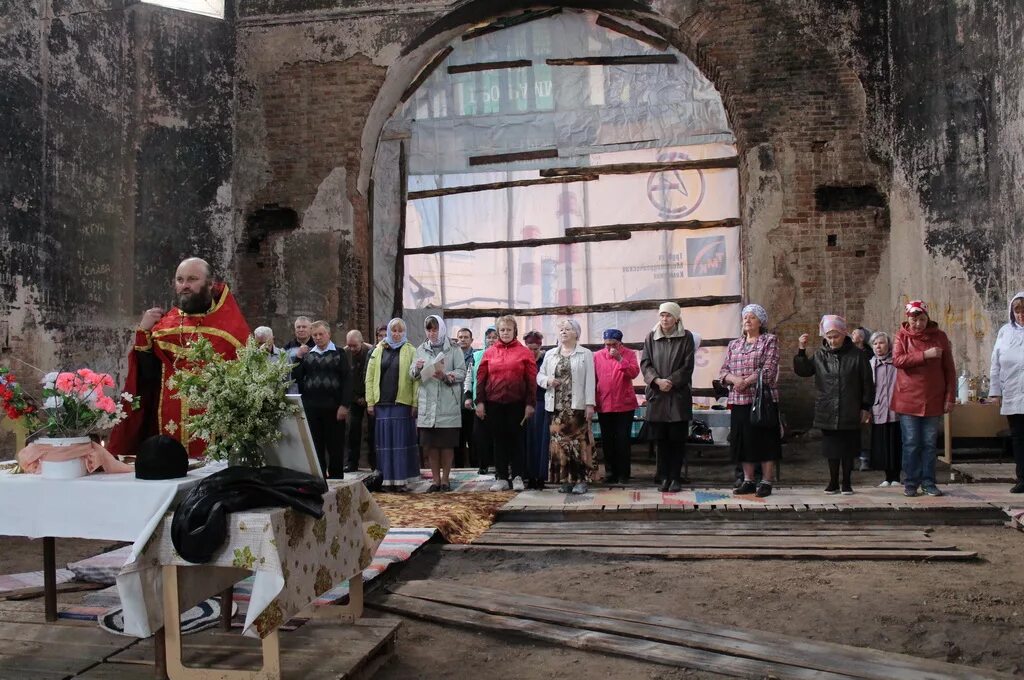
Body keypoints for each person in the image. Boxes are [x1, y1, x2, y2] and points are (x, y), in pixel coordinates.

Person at [109, 257, 250, 458]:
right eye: (180, 280)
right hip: (168, 425)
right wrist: (144, 332)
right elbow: (148, 378)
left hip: (216, 432)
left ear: (210, 284)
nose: (185, 285)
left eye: (192, 279)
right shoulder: (164, 325)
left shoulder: (231, 328)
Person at [794, 315, 874, 495]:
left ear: (844, 334)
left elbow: (867, 383)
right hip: (827, 408)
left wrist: (865, 407)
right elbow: (804, 371)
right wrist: (801, 350)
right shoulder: (820, 355)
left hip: (850, 407)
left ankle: (846, 482)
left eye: (835, 336)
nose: (832, 340)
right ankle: (832, 482)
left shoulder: (858, 355)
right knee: (831, 449)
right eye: (829, 337)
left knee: (848, 448)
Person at [892, 300, 956, 497]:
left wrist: (950, 397)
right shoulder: (901, 336)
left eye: (921, 319)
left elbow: (949, 369)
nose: (918, 324)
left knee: (929, 443)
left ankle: (929, 482)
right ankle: (911, 482)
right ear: (907, 319)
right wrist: (924, 355)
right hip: (908, 399)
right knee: (911, 442)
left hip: (933, 399)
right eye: (914, 319)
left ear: (927, 318)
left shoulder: (940, 337)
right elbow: (897, 360)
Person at [719, 303, 781, 498]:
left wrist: (745, 381)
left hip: (762, 400)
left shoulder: (769, 341)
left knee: (765, 440)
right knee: (743, 441)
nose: (747, 320)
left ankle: (766, 481)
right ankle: (748, 480)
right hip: (739, 400)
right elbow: (723, 371)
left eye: (752, 317)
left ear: (760, 322)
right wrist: (734, 379)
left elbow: (768, 369)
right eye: (745, 317)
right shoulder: (734, 344)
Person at [476, 316, 537, 491]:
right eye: (502, 330)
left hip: (517, 403)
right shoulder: (489, 353)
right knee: (499, 440)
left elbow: (531, 380)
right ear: (498, 332)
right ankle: (501, 477)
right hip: (494, 403)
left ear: (515, 331)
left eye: (508, 330)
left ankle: (518, 476)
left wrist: (530, 404)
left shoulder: (524, 352)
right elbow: (481, 379)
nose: (505, 333)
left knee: (517, 440)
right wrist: (479, 402)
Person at [641, 302, 696, 493]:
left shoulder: (686, 337)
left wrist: (671, 381)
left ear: (676, 318)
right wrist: (657, 380)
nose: (665, 319)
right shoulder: (651, 337)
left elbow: (688, 366)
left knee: (677, 440)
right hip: (658, 396)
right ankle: (663, 477)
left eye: (669, 316)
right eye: (662, 315)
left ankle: (675, 477)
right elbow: (645, 364)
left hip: (678, 396)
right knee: (661, 440)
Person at [539, 320, 597, 494]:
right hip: (556, 407)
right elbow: (539, 375)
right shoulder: (550, 354)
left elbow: (590, 380)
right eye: (561, 329)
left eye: (568, 329)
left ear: (576, 334)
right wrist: (548, 381)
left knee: (578, 444)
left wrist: (589, 404)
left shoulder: (585, 354)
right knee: (560, 445)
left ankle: (580, 480)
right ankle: (565, 480)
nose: (563, 332)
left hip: (577, 407)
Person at [411, 315, 466, 492]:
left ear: (441, 329)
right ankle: (435, 481)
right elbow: (411, 375)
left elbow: (461, 372)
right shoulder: (420, 349)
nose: (432, 333)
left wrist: (445, 375)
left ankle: (445, 480)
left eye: (435, 329)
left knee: (446, 444)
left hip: (447, 401)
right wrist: (417, 369)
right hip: (428, 402)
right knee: (431, 445)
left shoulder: (454, 348)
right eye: (429, 330)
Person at [366, 318, 420, 491]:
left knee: (400, 443)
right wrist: (370, 402)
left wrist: (415, 402)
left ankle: (402, 480)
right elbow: (369, 377)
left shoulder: (411, 350)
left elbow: (416, 380)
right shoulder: (378, 350)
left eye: (400, 331)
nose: (396, 334)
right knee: (385, 444)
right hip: (381, 403)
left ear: (404, 333)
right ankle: (386, 480)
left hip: (402, 403)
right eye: (394, 331)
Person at [292, 321, 351, 478]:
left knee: (335, 447)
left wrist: (345, 405)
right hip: (312, 407)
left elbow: (347, 380)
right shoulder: (308, 355)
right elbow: (296, 378)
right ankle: (319, 480)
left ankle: (337, 479)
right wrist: (297, 359)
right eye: (315, 335)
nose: (318, 338)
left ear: (328, 334)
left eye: (320, 334)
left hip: (334, 408)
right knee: (315, 446)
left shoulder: (339, 353)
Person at [988, 291, 1024, 493]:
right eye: (1017, 311)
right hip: (1013, 392)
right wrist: (995, 391)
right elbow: (995, 363)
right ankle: (1022, 478)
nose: (1021, 315)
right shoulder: (1005, 332)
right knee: (1018, 437)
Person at [594, 328, 640, 484]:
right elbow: (593, 379)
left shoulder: (630, 354)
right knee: (607, 440)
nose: (609, 348)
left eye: (613, 344)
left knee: (622, 440)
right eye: (606, 344)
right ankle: (610, 472)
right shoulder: (597, 356)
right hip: (604, 403)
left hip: (624, 405)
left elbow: (634, 373)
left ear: (620, 343)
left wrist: (621, 359)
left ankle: (623, 474)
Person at [868, 331, 901, 486]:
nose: (878, 346)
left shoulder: (896, 363)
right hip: (878, 409)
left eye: (881, 343)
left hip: (896, 409)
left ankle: (896, 477)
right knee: (882, 444)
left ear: (888, 345)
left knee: (896, 442)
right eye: (875, 344)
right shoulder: (870, 364)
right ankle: (887, 477)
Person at [464, 325, 498, 475]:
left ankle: (499, 465)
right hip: (480, 402)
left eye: (494, 337)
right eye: (489, 337)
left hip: (498, 402)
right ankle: (482, 464)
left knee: (497, 435)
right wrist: (468, 396)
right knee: (479, 435)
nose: (491, 340)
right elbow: (469, 377)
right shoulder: (477, 356)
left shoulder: (504, 355)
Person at [344, 330, 376, 472]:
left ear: (362, 343)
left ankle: (374, 463)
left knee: (372, 431)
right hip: (354, 396)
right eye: (349, 345)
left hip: (371, 396)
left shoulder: (372, 351)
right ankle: (352, 463)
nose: (352, 349)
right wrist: (356, 398)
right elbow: (345, 379)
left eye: (354, 346)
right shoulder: (344, 353)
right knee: (353, 430)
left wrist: (368, 398)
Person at [522, 331, 550, 489]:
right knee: (527, 441)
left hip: (541, 403)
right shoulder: (522, 360)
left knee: (540, 442)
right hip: (525, 404)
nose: (532, 352)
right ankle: (528, 475)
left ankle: (540, 476)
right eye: (529, 349)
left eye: (535, 349)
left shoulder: (546, 360)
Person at [455, 327, 476, 468]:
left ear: (471, 340)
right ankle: (458, 468)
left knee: (473, 438)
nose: (462, 339)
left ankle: (476, 468)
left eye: (466, 337)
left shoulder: (476, 356)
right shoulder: (453, 356)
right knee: (458, 440)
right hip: (455, 404)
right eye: (460, 337)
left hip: (470, 404)